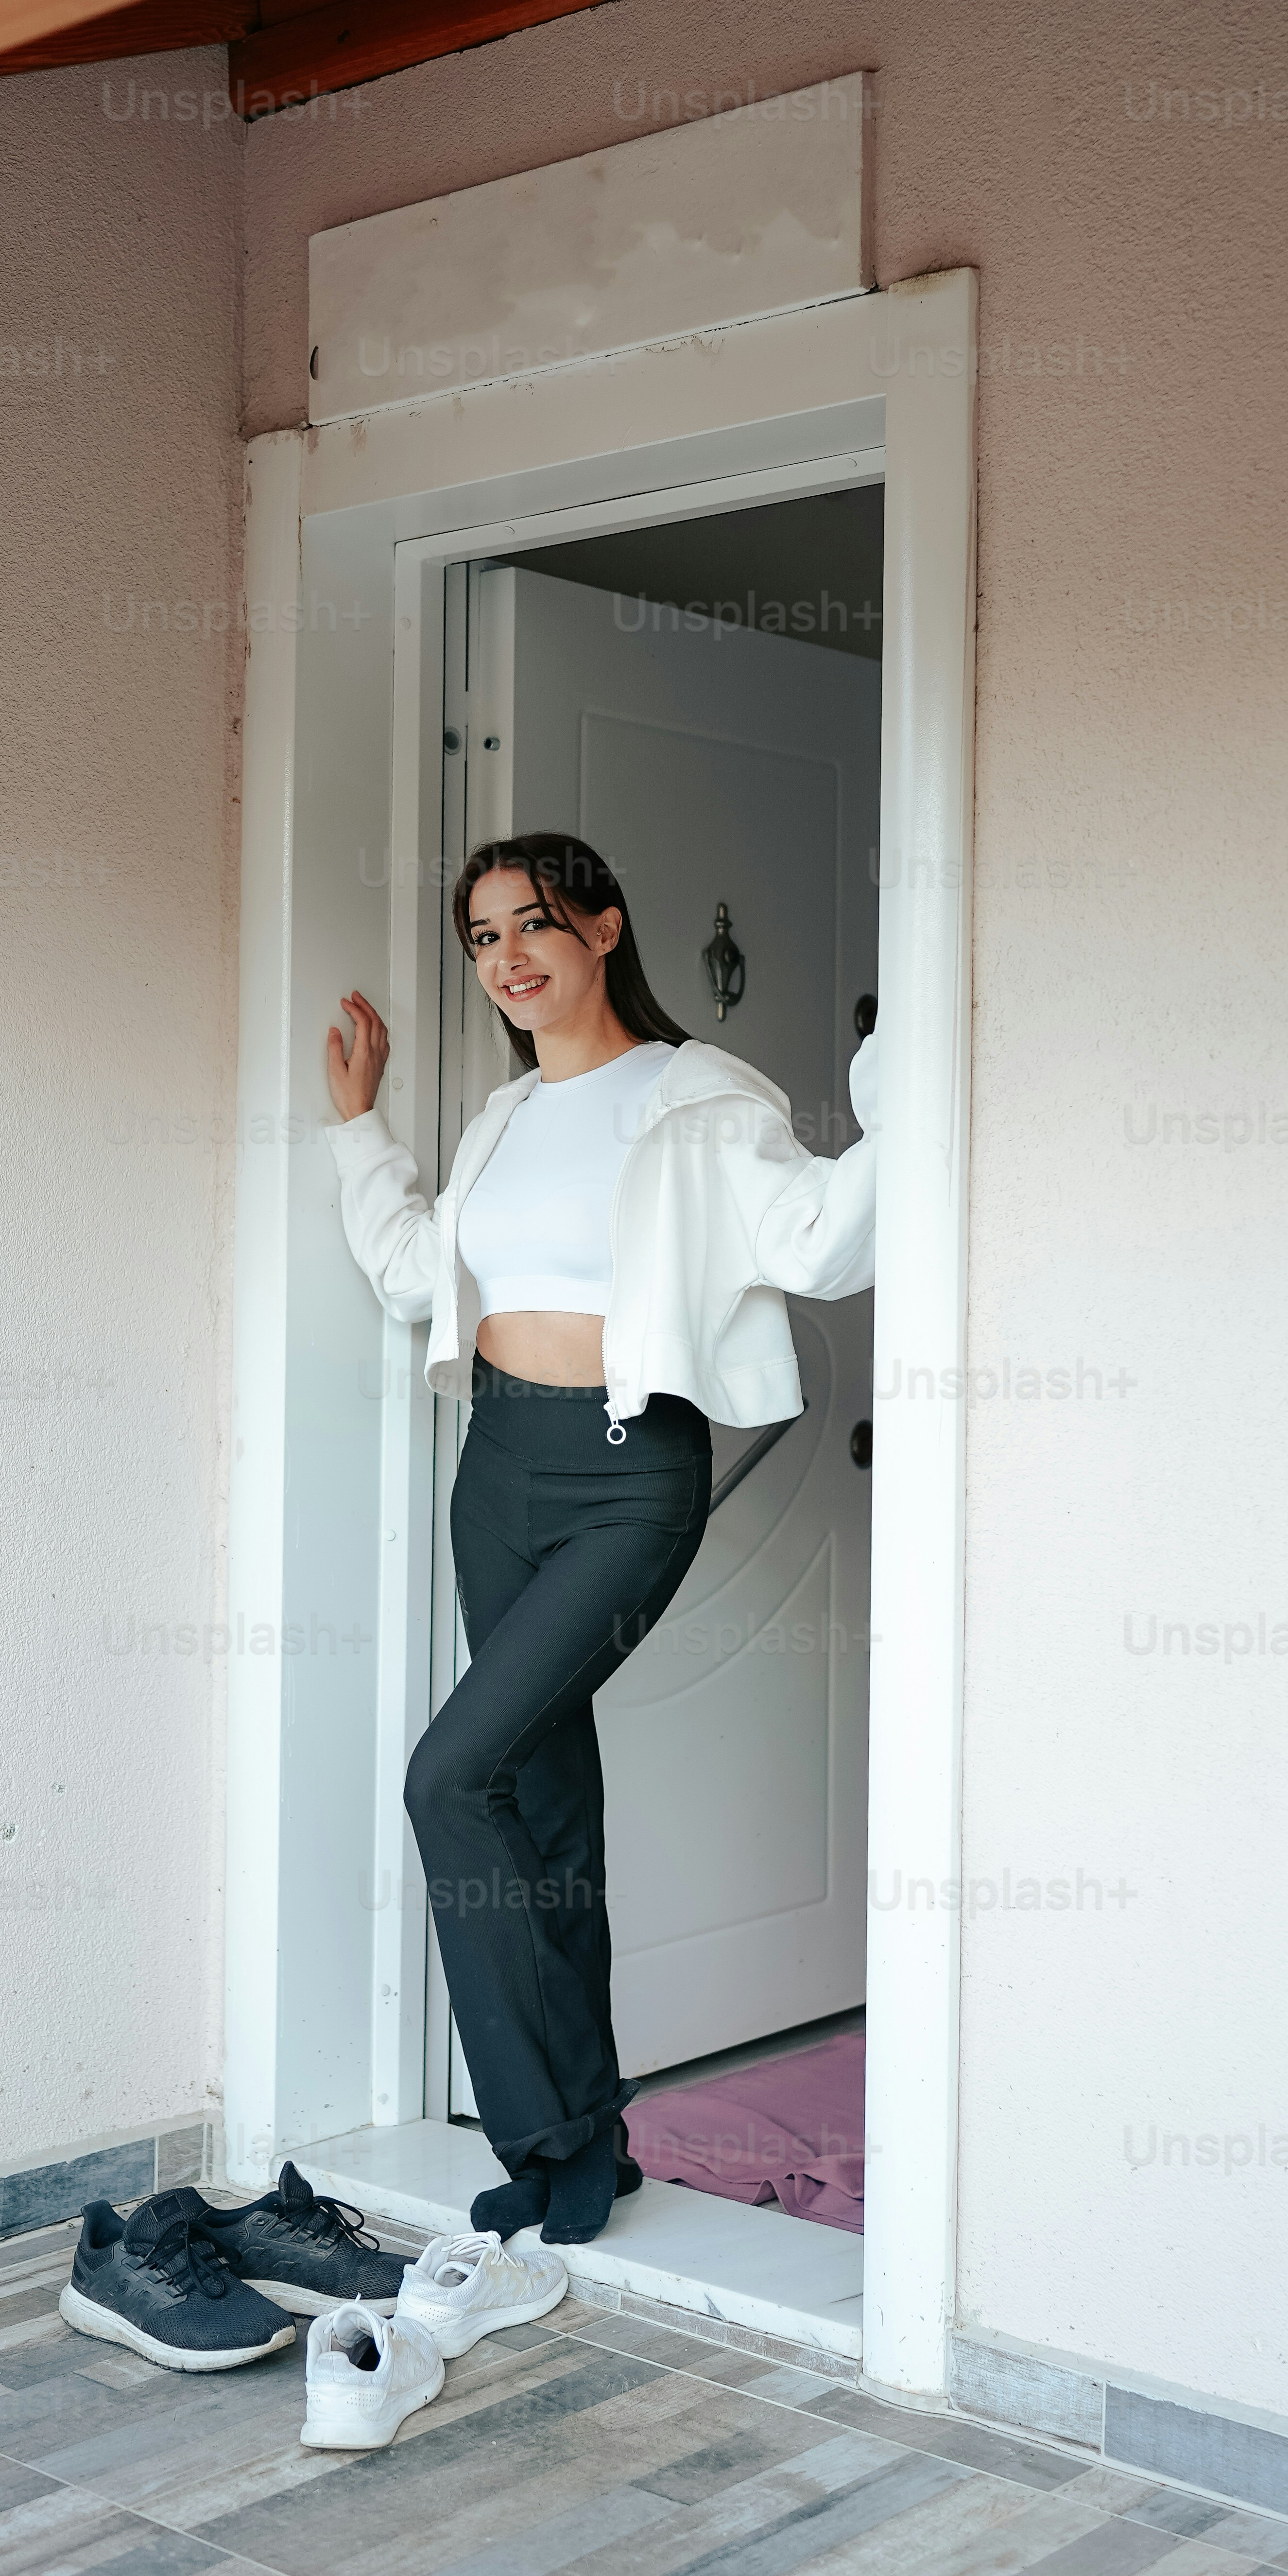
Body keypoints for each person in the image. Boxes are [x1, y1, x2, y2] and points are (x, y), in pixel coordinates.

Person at [325, 833, 877, 2245]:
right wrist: (358, 1129)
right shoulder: (501, 1123)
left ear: (607, 927)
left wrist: (899, 1086)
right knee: (541, 1807)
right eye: (483, 939)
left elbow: (821, 1243)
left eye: (536, 924)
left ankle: (541, 2134)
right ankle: (597, 2142)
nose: (509, 958)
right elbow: (414, 1273)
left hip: (628, 1475)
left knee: (452, 1779)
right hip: (498, 1464)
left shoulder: (698, 1096)